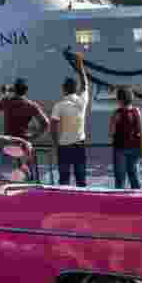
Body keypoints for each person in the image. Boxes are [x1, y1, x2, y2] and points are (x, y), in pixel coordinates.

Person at [50, 49, 90, 187]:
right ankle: (84, 203)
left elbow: (53, 126)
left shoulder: (59, 106)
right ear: (75, 88)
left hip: (64, 146)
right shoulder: (82, 102)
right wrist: (81, 69)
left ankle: (64, 203)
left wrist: (55, 142)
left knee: (64, 178)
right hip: (79, 144)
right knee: (81, 177)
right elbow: (85, 85)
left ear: (64, 89)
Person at [109, 86, 142, 189]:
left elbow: (111, 132)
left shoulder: (116, 113)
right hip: (135, 147)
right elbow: (141, 129)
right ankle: (139, 197)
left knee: (120, 177)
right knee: (134, 175)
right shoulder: (136, 111)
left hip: (120, 148)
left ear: (119, 100)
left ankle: (119, 200)